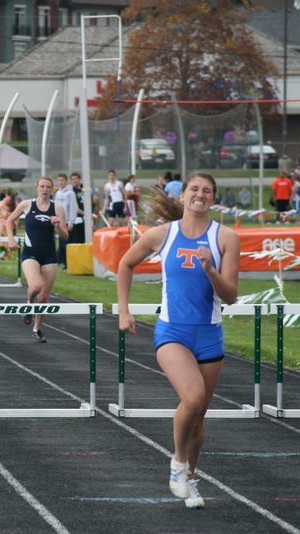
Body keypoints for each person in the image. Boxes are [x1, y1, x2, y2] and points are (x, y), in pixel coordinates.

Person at [117, 172, 239, 510]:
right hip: (173, 332)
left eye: (207, 190)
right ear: (183, 195)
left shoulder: (226, 237)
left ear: (213, 198)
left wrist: (210, 270)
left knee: (197, 419)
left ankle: (189, 477)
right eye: (194, 189)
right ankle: (178, 461)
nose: (200, 194)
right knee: (193, 397)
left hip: (210, 335)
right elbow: (126, 264)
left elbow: (230, 296)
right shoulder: (162, 234)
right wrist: (124, 310)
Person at [6, 176, 68, 343]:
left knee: (44, 297)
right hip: (30, 253)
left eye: (48, 187)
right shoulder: (26, 204)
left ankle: (37, 329)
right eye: (42, 186)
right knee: (36, 286)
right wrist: (10, 239)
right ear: (37, 188)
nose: (45, 189)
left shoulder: (58, 208)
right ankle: (28, 304)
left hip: (49, 255)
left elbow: (65, 236)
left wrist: (58, 226)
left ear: (52, 190)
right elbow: (9, 221)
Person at [54, 174, 78, 269]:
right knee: (61, 243)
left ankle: (69, 264)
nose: (61, 182)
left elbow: (73, 208)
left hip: (67, 222)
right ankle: (62, 262)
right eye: (59, 180)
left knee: (67, 244)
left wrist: (71, 222)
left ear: (66, 181)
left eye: (62, 180)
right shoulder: (58, 193)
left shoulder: (70, 193)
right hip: (60, 222)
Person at [0, 189, 17, 260]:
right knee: (9, 239)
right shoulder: (14, 202)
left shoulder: (2, 202)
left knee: (1, 239)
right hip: (11, 224)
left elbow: (1, 213)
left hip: (3, 224)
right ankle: (7, 254)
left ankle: (3, 252)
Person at [70, 172, 85, 244]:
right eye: (72, 179)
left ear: (79, 179)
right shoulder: (71, 192)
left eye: (76, 179)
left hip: (87, 218)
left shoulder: (85, 188)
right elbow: (74, 207)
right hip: (77, 219)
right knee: (78, 240)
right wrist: (86, 214)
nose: (74, 181)